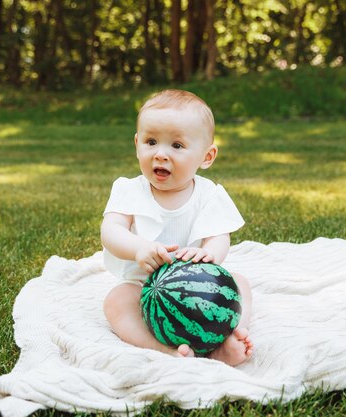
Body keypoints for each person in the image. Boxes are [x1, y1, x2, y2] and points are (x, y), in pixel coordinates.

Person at [101, 89, 253, 366]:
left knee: (239, 283)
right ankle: (164, 349)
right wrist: (139, 248)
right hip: (143, 285)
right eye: (151, 142)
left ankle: (226, 337)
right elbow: (111, 231)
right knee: (116, 301)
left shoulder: (210, 195)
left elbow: (219, 236)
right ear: (137, 145)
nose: (160, 154)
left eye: (177, 146)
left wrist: (210, 255)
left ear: (207, 157)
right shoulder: (129, 190)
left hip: (200, 285)